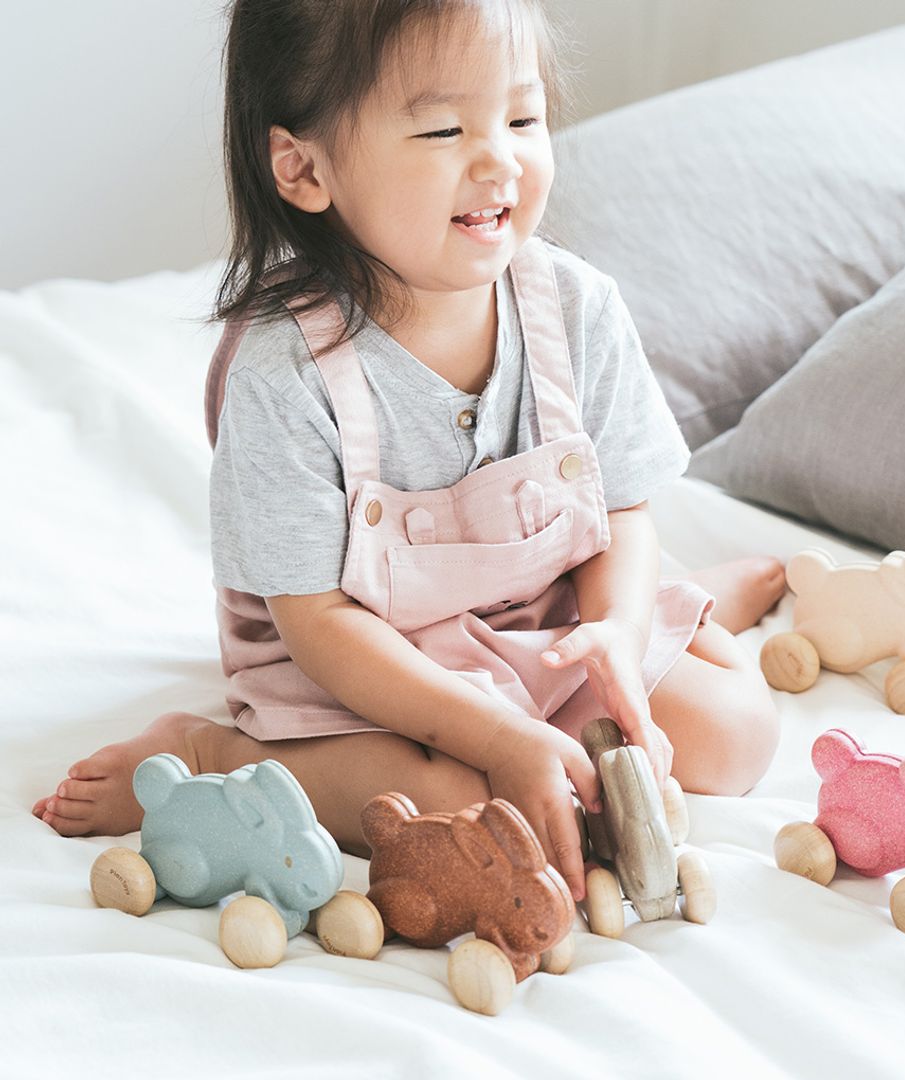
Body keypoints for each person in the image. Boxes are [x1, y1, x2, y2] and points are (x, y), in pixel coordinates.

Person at [33, 0, 783, 903]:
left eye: (522, 117)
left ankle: (678, 607)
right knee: (460, 808)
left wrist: (619, 635)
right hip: (363, 667)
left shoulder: (577, 309)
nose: (499, 161)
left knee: (733, 735)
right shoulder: (283, 375)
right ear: (305, 169)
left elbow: (621, 509)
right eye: (442, 129)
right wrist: (497, 738)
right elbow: (319, 625)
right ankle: (211, 753)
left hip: (538, 625)